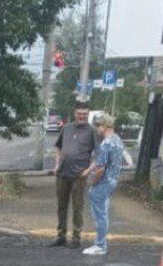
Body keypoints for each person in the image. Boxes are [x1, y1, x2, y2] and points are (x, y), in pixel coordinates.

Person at [52, 102, 99, 248]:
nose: (82, 116)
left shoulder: (92, 131)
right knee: (61, 206)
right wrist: (56, 165)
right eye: (79, 114)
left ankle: (76, 237)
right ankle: (61, 236)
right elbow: (58, 147)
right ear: (75, 113)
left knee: (77, 207)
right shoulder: (66, 128)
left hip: (79, 175)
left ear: (88, 114)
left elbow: (98, 155)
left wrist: (89, 170)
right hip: (62, 173)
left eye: (84, 114)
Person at [82, 114, 125, 255]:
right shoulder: (117, 140)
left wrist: (92, 182)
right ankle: (101, 244)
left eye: (99, 126)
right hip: (113, 180)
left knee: (100, 215)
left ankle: (100, 245)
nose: (97, 129)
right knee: (104, 213)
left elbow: (100, 168)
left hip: (103, 182)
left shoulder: (106, 143)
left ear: (106, 126)